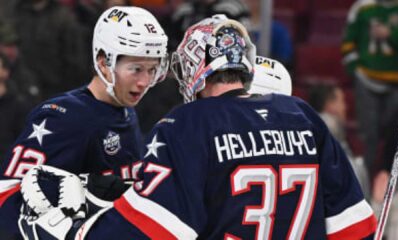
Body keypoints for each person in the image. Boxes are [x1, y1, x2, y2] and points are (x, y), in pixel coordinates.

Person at [19, 15, 376, 239]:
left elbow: (152, 229)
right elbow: (355, 225)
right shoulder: (302, 114)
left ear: (193, 68)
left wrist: (78, 233)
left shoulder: (187, 123)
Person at [0, 6, 168, 237]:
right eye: (136, 69)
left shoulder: (125, 109)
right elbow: (6, 197)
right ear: (102, 63)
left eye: (152, 70)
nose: (144, 82)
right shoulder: (64, 117)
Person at [342, 0, 398, 178]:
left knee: (394, 137)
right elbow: (348, 41)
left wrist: (391, 34)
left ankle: (392, 185)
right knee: (369, 137)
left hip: (397, 83)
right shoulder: (362, 7)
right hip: (367, 80)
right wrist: (355, 69)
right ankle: (363, 185)